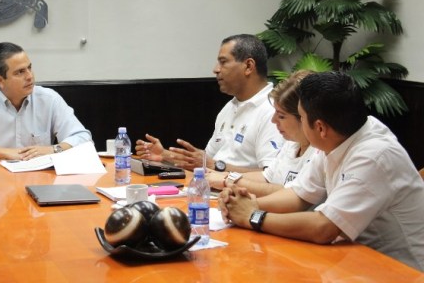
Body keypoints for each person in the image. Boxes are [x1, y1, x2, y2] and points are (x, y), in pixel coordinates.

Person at [219, 71, 424, 271]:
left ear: (320, 128)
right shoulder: (336, 138)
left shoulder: (374, 156)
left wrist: (253, 216)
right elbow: (298, 196)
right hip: (356, 261)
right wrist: (241, 205)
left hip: (402, 270)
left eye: (300, 117)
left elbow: (324, 227)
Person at [135, 34, 282, 172]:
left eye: (223, 62)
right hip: (211, 186)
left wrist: (216, 166)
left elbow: (272, 176)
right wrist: (164, 155)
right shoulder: (230, 107)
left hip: (239, 190)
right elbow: (205, 160)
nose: (215, 69)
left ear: (248, 66)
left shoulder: (273, 112)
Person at [0, 42, 92, 160]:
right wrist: (2, 152)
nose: (30, 76)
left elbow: (83, 139)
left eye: (29, 68)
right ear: (0, 80)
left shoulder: (49, 99)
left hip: (39, 179)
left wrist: (53, 149)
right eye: (20, 72)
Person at [206, 70, 315, 196]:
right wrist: (225, 176)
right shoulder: (292, 144)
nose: (273, 120)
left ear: (303, 117)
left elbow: (293, 194)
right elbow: (266, 177)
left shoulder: (319, 153)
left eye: (281, 116)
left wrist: (227, 181)